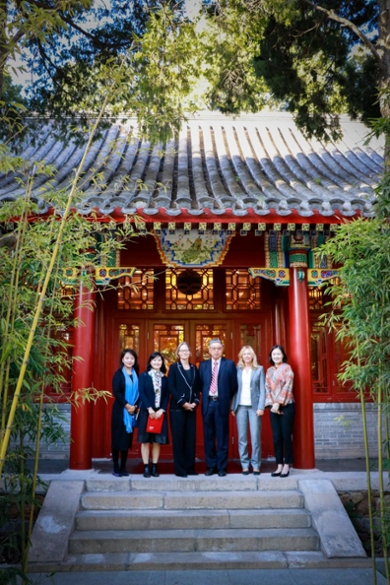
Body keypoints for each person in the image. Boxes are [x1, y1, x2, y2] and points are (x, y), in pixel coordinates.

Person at [199, 338, 238, 477]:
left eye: (219, 348)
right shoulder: (203, 365)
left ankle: (222, 467)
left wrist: (225, 398)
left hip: (221, 404)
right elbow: (200, 384)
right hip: (208, 403)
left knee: (222, 437)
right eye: (213, 348)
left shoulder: (229, 364)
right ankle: (211, 466)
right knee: (208, 437)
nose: (216, 351)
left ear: (222, 349)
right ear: (209, 350)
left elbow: (234, 385)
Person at [168, 341, 201, 477]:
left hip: (191, 409)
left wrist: (195, 402)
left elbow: (197, 387)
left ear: (190, 352)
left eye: (186, 350)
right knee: (179, 439)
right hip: (177, 408)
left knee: (190, 439)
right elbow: (171, 387)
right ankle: (180, 470)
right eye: (182, 351)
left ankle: (190, 468)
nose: (184, 353)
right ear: (178, 353)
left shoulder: (194, 368)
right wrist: (182, 402)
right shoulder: (174, 367)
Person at [231, 345, 265, 475]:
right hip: (240, 406)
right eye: (244, 354)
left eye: (249, 354)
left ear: (253, 356)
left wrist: (261, 407)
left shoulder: (259, 369)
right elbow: (234, 390)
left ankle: (256, 464)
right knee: (242, 437)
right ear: (241, 356)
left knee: (255, 437)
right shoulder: (237, 369)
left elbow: (263, 390)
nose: (246, 356)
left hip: (254, 407)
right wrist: (232, 406)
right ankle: (244, 464)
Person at [265, 344, 295, 478]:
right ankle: (279, 465)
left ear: (283, 355)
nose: (276, 356)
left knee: (285, 436)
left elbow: (287, 387)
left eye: (278, 354)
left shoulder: (287, 368)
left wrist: (278, 403)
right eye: (274, 354)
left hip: (286, 405)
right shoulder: (269, 371)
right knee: (276, 437)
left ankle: (287, 465)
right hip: (273, 407)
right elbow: (267, 388)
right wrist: (272, 404)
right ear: (271, 356)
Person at [138, 351, 169, 478]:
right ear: (150, 362)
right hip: (147, 412)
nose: (157, 362)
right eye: (154, 360)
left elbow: (167, 395)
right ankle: (146, 467)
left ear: (162, 363)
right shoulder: (144, 376)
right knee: (145, 441)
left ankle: (155, 466)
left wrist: (162, 409)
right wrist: (149, 409)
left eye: (159, 360)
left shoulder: (165, 378)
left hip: (160, 412)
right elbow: (142, 392)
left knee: (157, 441)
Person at [111, 348, 139, 477]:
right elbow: (116, 392)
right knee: (117, 439)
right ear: (122, 359)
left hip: (132, 411)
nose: (129, 360)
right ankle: (116, 467)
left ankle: (123, 467)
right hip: (120, 411)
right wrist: (127, 405)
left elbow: (139, 392)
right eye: (127, 358)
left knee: (126, 440)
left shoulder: (136, 374)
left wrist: (135, 406)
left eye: (132, 358)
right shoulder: (118, 374)